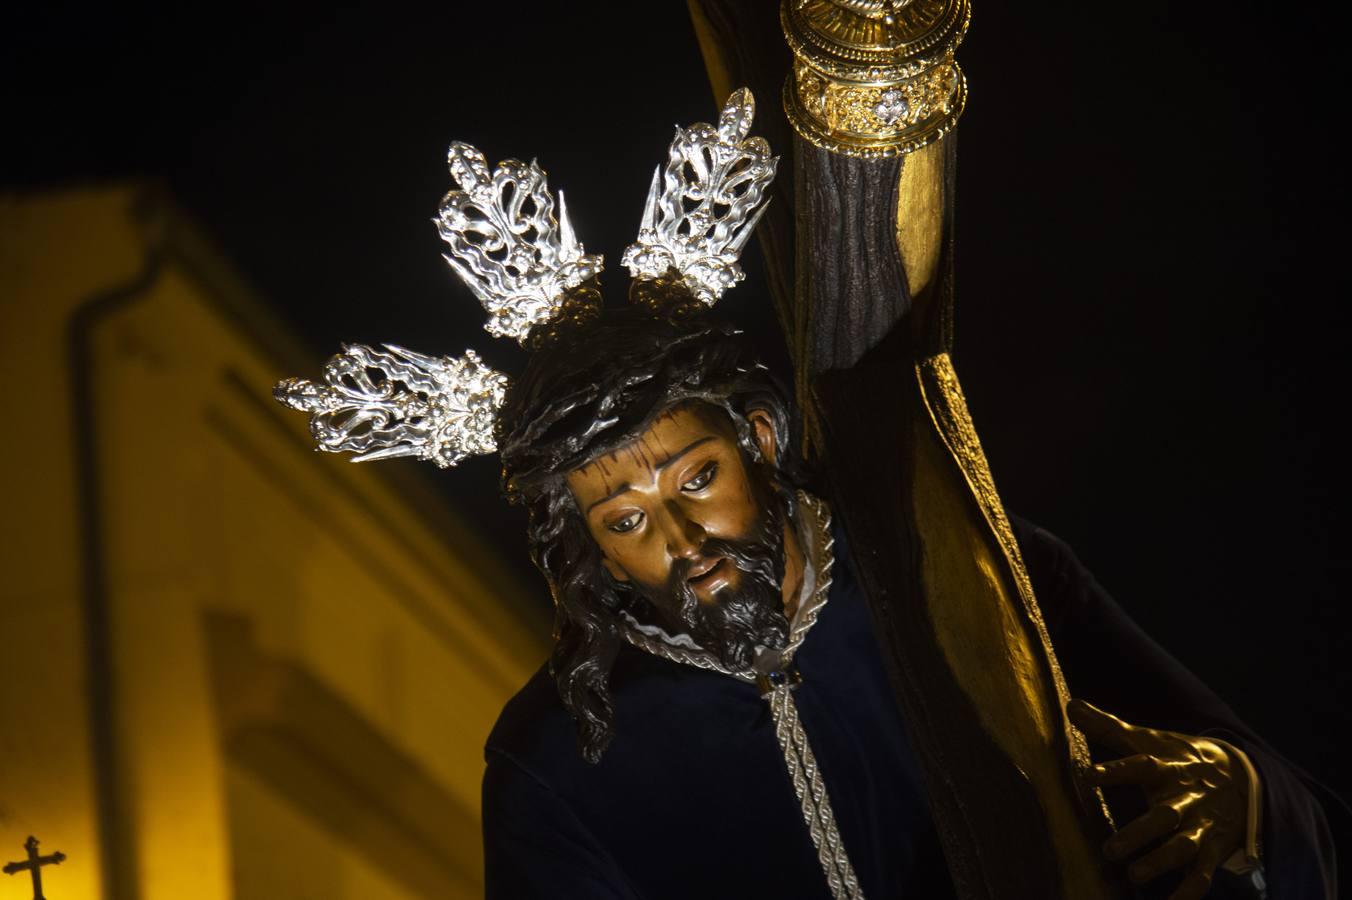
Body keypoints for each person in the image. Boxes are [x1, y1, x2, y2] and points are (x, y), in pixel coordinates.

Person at [275, 90, 1340, 899]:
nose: (684, 538)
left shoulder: (986, 577)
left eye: (697, 477)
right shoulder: (560, 767)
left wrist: (1240, 803)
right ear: (588, 552)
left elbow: (1300, 821)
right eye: (626, 519)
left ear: (759, 437)